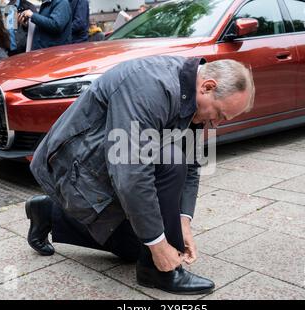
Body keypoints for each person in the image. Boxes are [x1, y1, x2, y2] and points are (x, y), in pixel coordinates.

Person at [26, 56, 255, 294]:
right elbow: (132, 174)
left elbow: (193, 163)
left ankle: (50, 213)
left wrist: (182, 221)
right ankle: (161, 273)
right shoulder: (149, 88)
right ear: (207, 87)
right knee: (171, 162)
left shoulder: (192, 97)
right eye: (219, 114)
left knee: (137, 247)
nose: (215, 124)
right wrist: (159, 247)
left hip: (111, 162)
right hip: (77, 167)